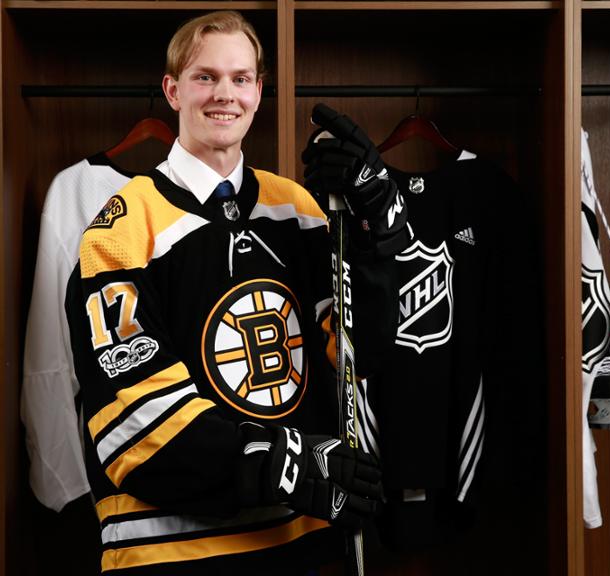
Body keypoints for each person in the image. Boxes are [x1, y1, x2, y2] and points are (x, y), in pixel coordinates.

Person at [65, 10, 408, 574]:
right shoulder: (122, 229)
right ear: (173, 90)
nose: (225, 94)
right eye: (205, 77)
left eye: (240, 78)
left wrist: (377, 232)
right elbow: (135, 423)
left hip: (305, 540)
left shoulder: (296, 208)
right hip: (173, 551)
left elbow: (356, 354)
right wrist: (286, 463)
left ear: (258, 91)